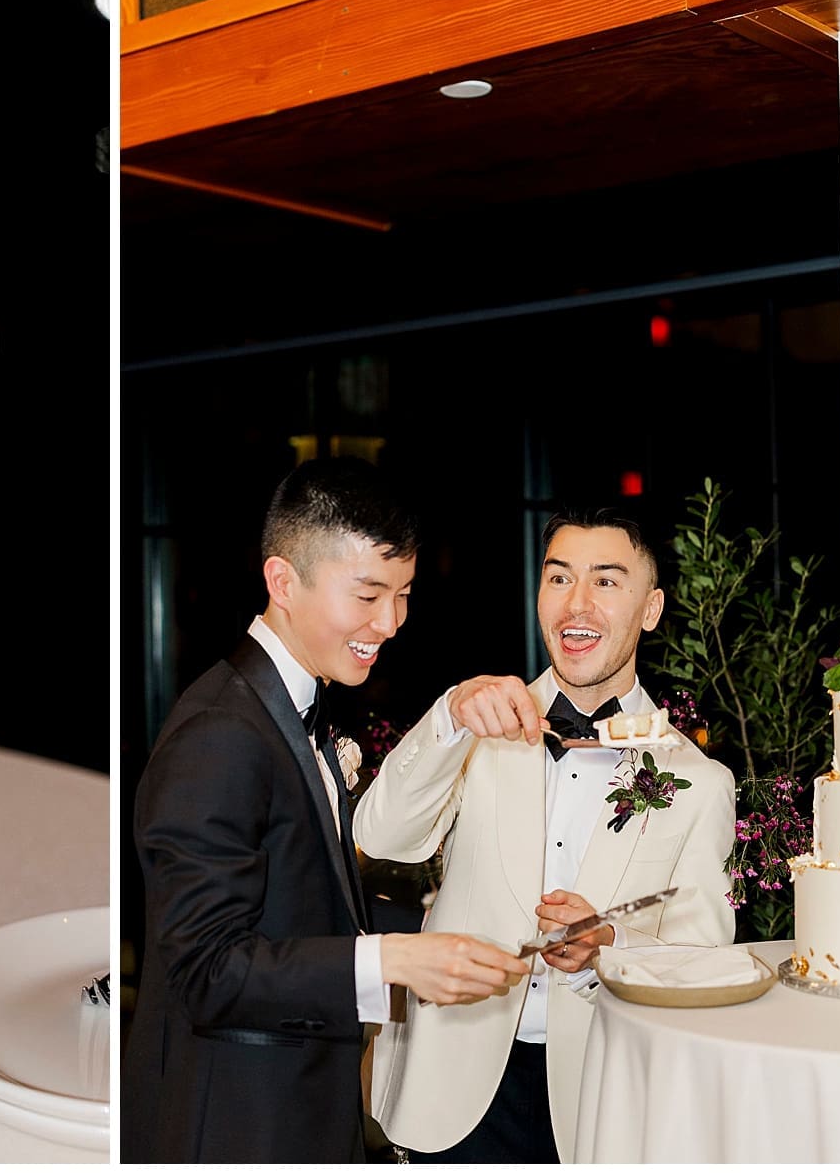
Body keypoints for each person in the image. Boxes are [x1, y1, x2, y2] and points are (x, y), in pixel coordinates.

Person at [124, 459, 530, 1163]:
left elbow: (308, 908)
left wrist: (464, 936)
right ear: (283, 580)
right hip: (238, 1125)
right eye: (368, 594)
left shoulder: (294, 709)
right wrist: (395, 958)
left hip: (303, 1111)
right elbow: (207, 971)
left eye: (403, 594)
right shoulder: (219, 733)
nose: (391, 622)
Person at [354, 509, 738, 1162]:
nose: (576, 602)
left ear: (650, 608)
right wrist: (450, 715)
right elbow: (383, 834)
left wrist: (611, 944)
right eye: (559, 577)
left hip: (602, 1098)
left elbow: (702, 958)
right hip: (452, 1087)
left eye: (606, 581)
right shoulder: (478, 720)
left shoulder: (696, 778)